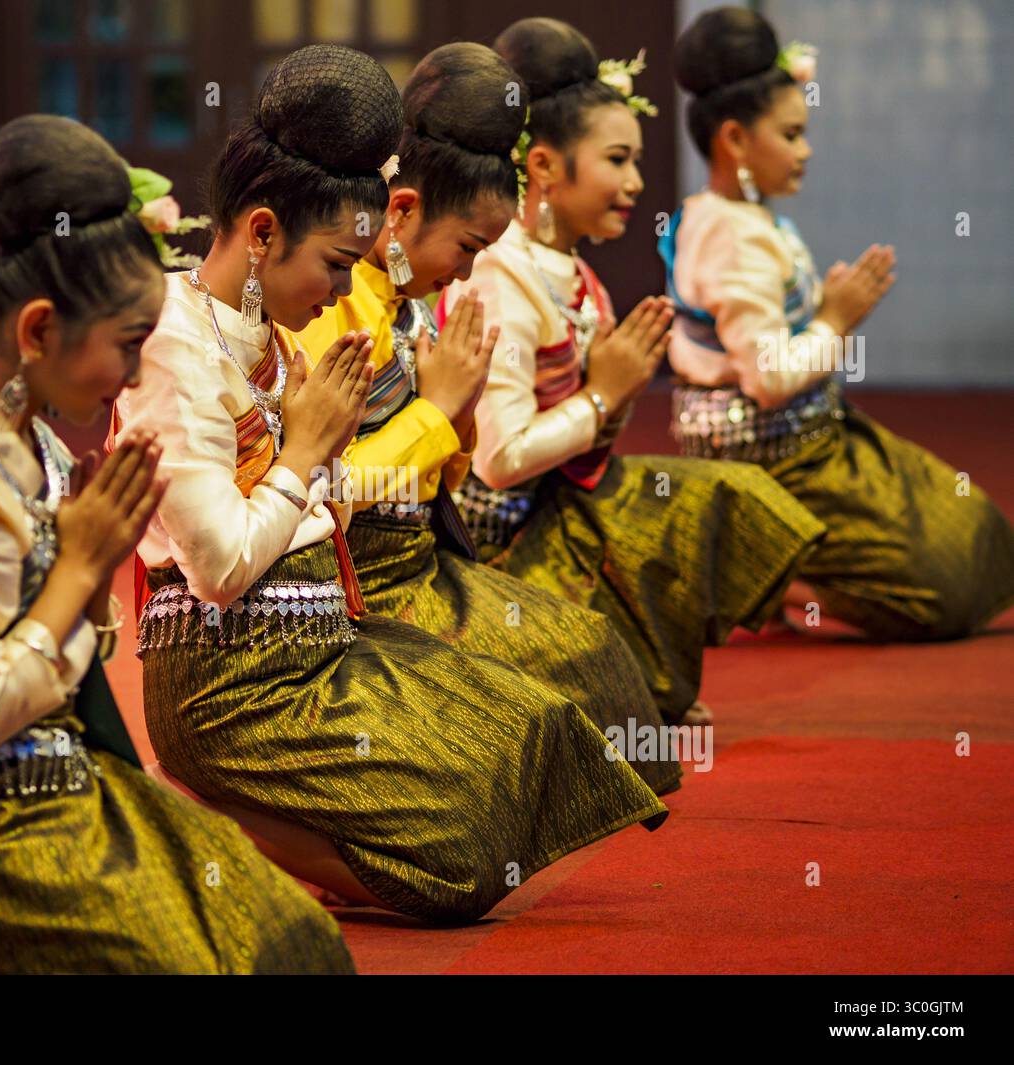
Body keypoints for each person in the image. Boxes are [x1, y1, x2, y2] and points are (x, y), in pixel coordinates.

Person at [114, 45, 667, 926]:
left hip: (322, 633)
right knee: (459, 872)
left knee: (531, 732)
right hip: (231, 683)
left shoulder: (273, 331)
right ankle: (215, 810)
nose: (339, 288)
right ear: (262, 233)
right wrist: (315, 452)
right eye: (334, 265)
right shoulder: (174, 347)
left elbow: (323, 497)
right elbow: (219, 568)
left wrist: (330, 455)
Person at [0, 115, 354, 974]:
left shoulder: (29, 442)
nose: (133, 373)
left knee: (286, 937)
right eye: (124, 345)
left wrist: (82, 582)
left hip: (54, 776)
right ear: (40, 330)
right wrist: (79, 571)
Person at [289, 42, 679, 795]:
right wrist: (440, 410)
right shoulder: (329, 309)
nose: (469, 272)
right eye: (467, 248)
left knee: (593, 652)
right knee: (548, 704)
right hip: (367, 589)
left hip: (423, 564)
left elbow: (449, 472)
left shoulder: (407, 301)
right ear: (400, 210)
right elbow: (321, 490)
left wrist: (455, 416)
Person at [446, 18, 826, 724]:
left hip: (558, 506)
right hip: (495, 542)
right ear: (545, 168)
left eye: (636, 160)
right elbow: (499, 460)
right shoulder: (501, 276)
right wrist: (601, 397)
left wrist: (606, 402)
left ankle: (641, 678)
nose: (636, 182)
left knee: (722, 496)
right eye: (618, 160)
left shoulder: (572, 271)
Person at [662, 5, 1014, 640]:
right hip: (771, 461)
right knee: (944, 591)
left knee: (974, 535)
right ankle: (755, 571)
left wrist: (825, 314)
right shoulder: (729, 235)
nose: (806, 150)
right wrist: (834, 320)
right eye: (792, 134)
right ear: (735, 140)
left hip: (809, 435)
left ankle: (764, 570)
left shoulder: (737, 216)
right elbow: (768, 380)